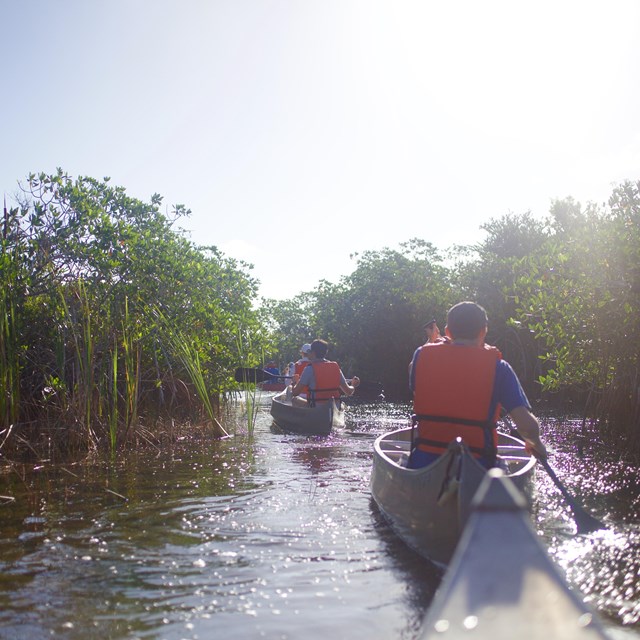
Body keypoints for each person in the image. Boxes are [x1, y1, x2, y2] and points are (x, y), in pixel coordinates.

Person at [408, 301, 547, 469]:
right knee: (502, 467)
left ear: (447, 332)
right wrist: (537, 443)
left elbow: (417, 389)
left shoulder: (420, 356)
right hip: (479, 464)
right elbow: (527, 426)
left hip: (425, 462)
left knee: (408, 459)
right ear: (484, 332)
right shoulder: (500, 368)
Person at [290, 339, 360, 407]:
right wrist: (353, 385)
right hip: (334, 406)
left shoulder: (309, 369)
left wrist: (294, 382)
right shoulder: (336, 368)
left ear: (313, 352)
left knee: (294, 399)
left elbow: (295, 393)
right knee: (341, 405)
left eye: (310, 351)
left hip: (315, 406)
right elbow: (348, 392)